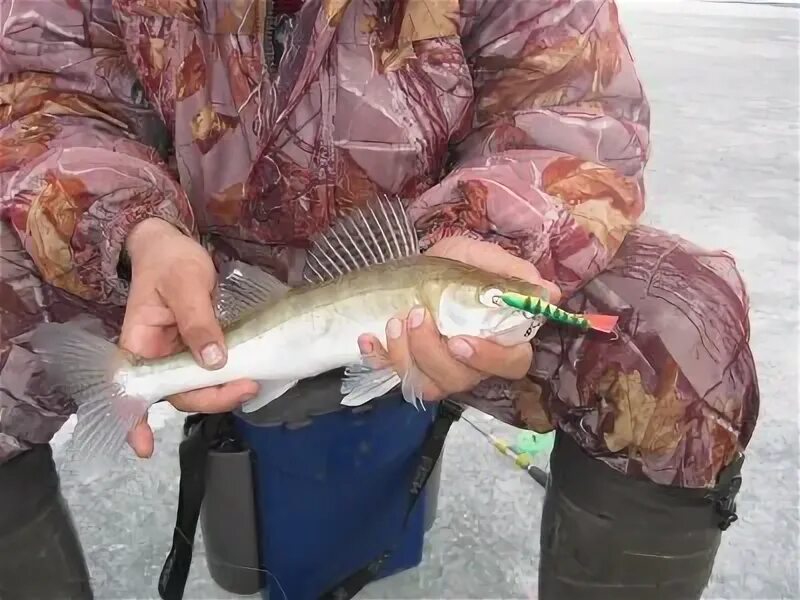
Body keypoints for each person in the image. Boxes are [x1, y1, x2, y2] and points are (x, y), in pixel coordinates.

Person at [0, 1, 759, 599]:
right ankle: (121, 390)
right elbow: (46, 101)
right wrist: (135, 230)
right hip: (180, 252)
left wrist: (491, 236)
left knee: (678, 329)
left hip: (448, 241)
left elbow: (573, 114)